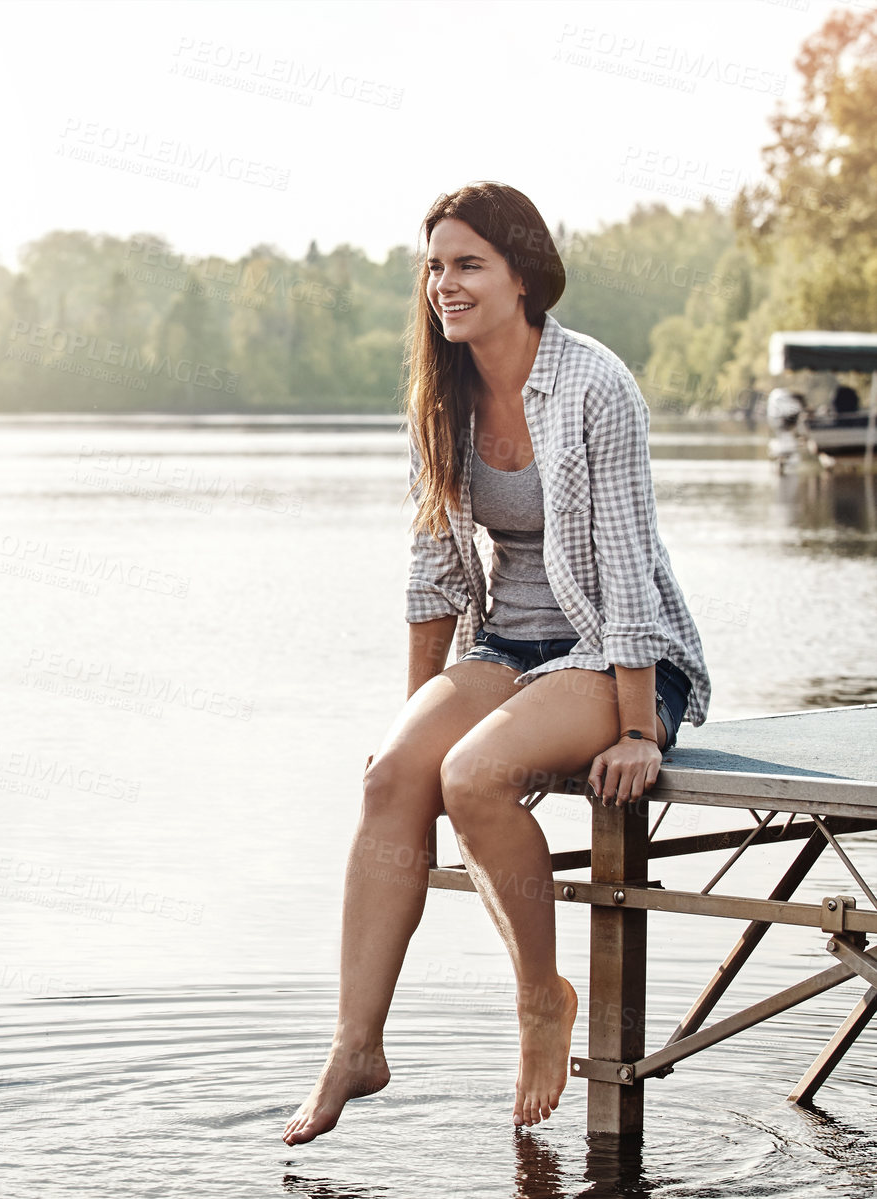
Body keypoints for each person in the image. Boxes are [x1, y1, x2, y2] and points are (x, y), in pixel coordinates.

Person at [282, 182, 712, 1143]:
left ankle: (540, 1002)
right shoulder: (440, 393)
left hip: (622, 654)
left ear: (524, 274)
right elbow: (435, 570)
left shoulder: (596, 384)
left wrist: (641, 728)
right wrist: (419, 716)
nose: (446, 284)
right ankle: (357, 1043)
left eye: (468, 263)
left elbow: (629, 564)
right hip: (509, 645)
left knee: (475, 776)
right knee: (397, 772)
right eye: (435, 266)